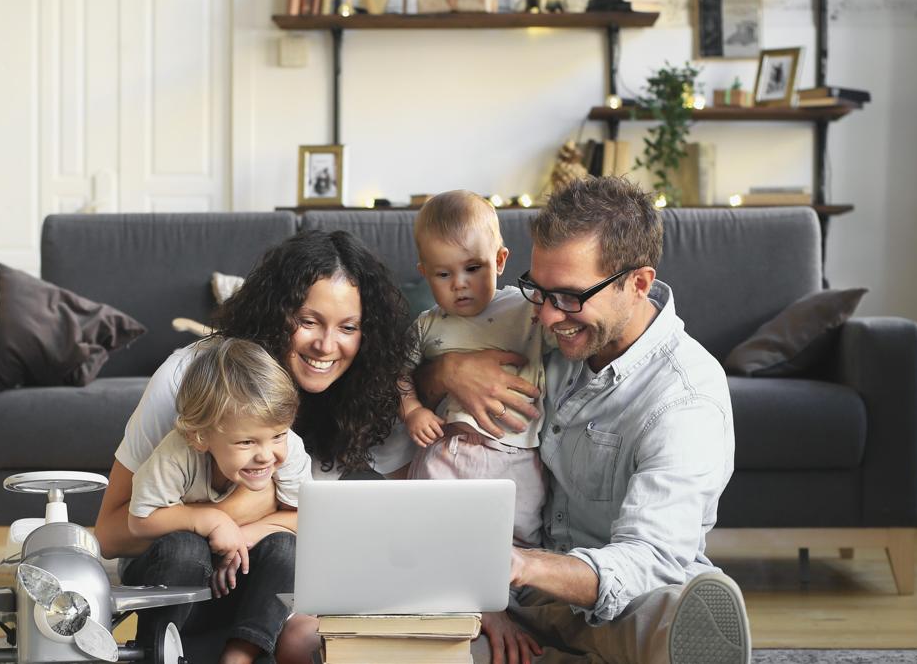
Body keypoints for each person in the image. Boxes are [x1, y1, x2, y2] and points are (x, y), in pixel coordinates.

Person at [420, 176, 748, 664]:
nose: (550, 317)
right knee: (422, 644)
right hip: (514, 598)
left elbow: (651, 557)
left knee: (663, 606)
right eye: (539, 290)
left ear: (637, 284)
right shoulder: (540, 333)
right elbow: (417, 387)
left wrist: (517, 564)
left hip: (614, 593)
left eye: (570, 296)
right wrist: (445, 372)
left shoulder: (685, 397)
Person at [93, 229, 414, 664]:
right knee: (192, 552)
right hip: (178, 574)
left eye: (348, 327)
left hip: (271, 584)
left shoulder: (372, 396)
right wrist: (227, 516)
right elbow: (112, 534)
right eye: (308, 321)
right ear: (276, 312)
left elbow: (376, 528)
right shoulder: (190, 379)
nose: (325, 345)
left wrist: (250, 530)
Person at [127, 336, 311, 664]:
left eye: (278, 436)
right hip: (168, 582)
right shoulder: (177, 453)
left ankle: (239, 655)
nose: (266, 455)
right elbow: (140, 520)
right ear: (200, 437)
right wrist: (211, 520)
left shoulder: (290, 448)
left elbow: (307, 519)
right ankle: (157, 651)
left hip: (236, 582)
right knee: (186, 546)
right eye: (246, 442)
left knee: (286, 546)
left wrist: (249, 532)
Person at [400, 190, 550, 549]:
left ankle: (523, 601)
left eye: (473, 268)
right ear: (424, 274)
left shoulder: (525, 309)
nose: (460, 284)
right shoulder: (426, 325)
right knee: (427, 537)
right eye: (443, 274)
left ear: (499, 260)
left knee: (520, 545)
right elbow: (398, 372)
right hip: (448, 449)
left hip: (516, 454)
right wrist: (413, 409)